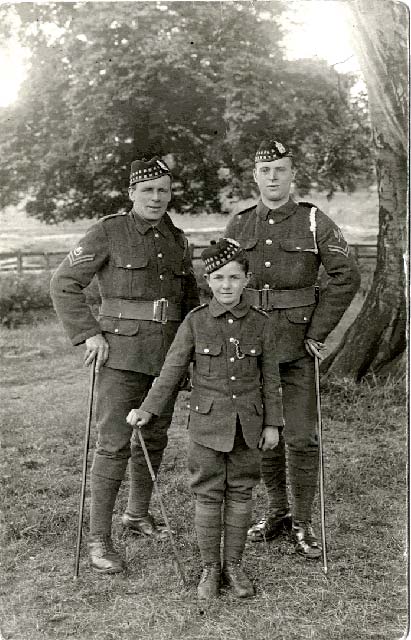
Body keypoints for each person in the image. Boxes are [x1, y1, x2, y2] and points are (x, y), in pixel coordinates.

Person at [50, 156, 200, 573]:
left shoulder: (177, 239)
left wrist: (188, 354)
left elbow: (189, 301)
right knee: (114, 443)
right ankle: (100, 538)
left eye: (164, 190)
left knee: (153, 437)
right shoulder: (108, 231)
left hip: (167, 355)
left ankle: (136, 514)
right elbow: (63, 283)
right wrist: (89, 333)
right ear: (131, 193)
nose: (156, 197)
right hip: (120, 355)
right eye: (148, 190)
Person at [225, 139, 361, 559]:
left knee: (301, 437)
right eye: (265, 171)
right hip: (252, 348)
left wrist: (318, 332)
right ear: (255, 177)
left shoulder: (314, 221)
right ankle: (278, 512)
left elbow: (346, 276)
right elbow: (224, 280)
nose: (272, 178)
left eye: (280, 170)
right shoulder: (240, 223)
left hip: (298, 346)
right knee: (262, 435)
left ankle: (302, 521)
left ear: (292, 175)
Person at [127, 238, 284, 601]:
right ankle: (210, 569)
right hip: (206, 426)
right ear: (207, 281)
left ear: (247, 279)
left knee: (242, 492)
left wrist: (273, 424)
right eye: (218, 277)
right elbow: (170, 372)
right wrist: (147, 409)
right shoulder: (195, 323)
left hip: (250, 426)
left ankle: (234, 566)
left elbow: (271, 377)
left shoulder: (261, 324)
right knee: (208, 495)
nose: (226, 285)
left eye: (233, 277)